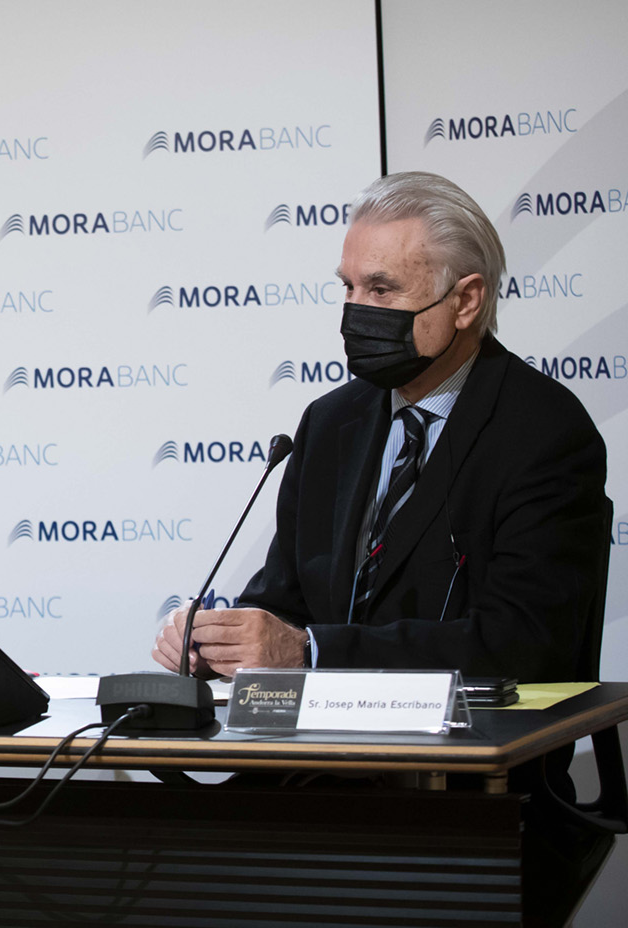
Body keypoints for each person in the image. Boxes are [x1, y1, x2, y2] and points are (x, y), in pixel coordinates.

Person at [152, 171, 611, 681]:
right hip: (315, 751)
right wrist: (217, 644)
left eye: (381, 289)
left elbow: (524, 641)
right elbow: (284, 607)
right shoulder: (330, 423)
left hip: (460, 748)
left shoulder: (543, 431)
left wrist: (312, 652)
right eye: (348, 287)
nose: (355, 311)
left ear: (465, 301)